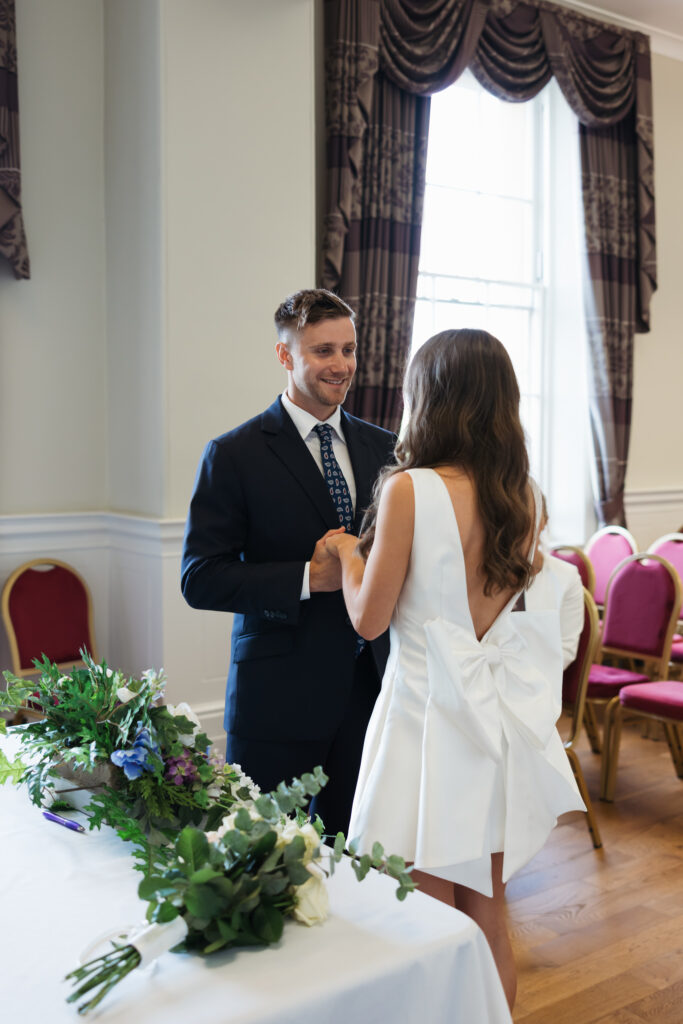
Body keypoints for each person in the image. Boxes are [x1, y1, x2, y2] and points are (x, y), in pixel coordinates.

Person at [325, 328, 585, 1010]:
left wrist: (349, 555)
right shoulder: (523, 496)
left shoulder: (410, 490)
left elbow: (368, 619)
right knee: (487, 911)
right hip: (489, 727)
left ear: (428, 399)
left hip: (423, 722)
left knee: (425, 915)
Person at [180, 288, 396, 839]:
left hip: (373, 690)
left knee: (356, 857)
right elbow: (200, 577)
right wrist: (309, 578)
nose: (342, 365)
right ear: (285, 356)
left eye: (349, 350)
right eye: (324, 351)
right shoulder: (234, 454)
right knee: (265, 859)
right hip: (277, 696)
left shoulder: (387, 450)